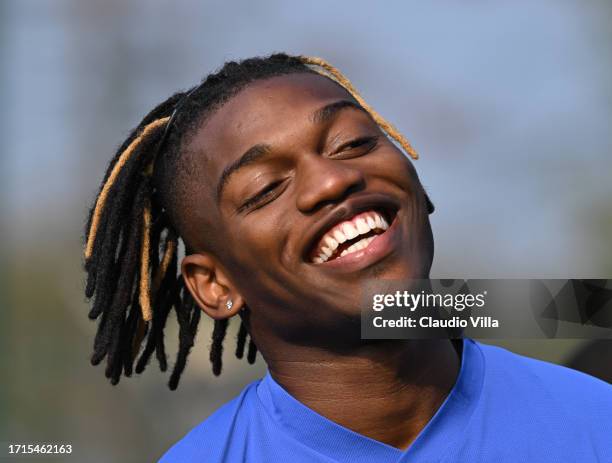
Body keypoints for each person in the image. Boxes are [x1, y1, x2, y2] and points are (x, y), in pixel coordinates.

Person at [83, 54, 612, 462]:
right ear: (215, 284)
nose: (332, 180)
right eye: (266, 188)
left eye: (353, 142)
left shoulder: (593, 422)